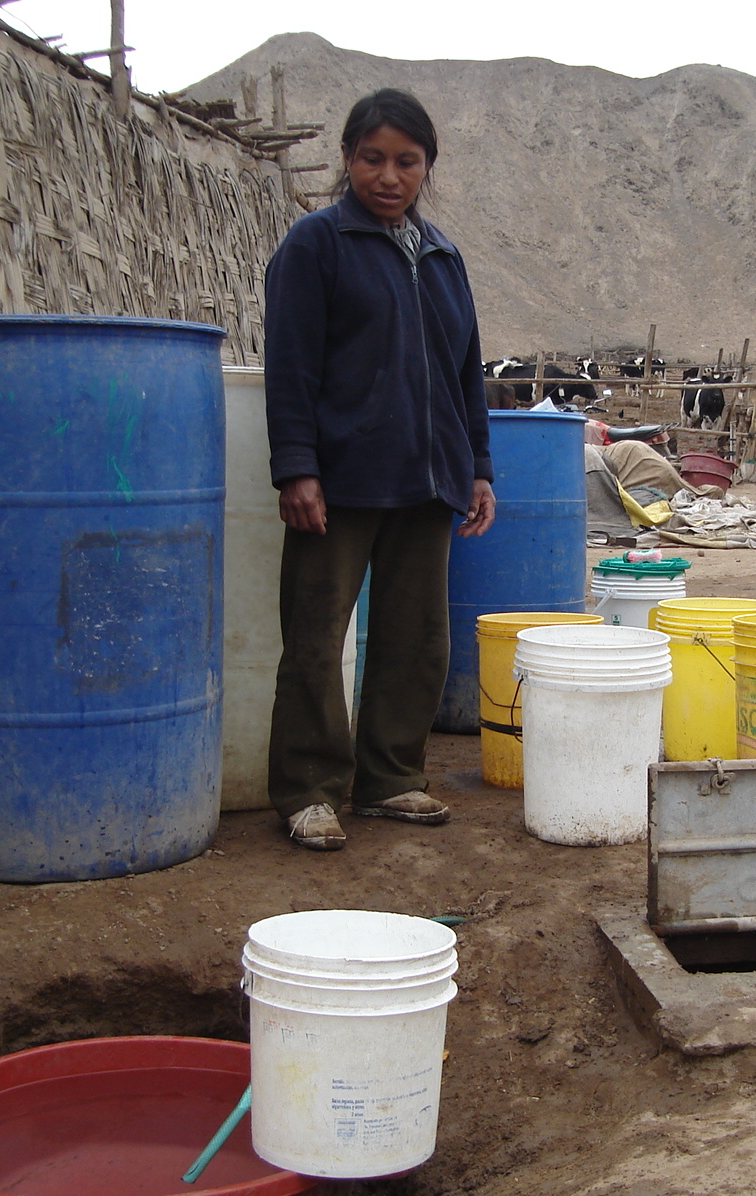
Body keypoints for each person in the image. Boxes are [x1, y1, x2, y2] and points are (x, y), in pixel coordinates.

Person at [262, 88, 496, 851]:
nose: (388, 175)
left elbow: (466, 375)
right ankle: (308, 789)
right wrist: (297, 467)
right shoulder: (317, 245)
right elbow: (290, 367)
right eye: (373, 159)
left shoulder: (443, 257)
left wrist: (478, 468)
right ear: (347, 159)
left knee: (417, 638)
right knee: (316, 637)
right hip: (341, 482)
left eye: (406, 161)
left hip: (429, 482)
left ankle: (392, 778)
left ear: (426, 167)